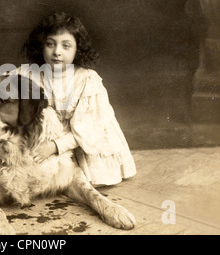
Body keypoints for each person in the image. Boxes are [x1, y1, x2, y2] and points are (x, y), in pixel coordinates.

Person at [20, 11, 136, 186]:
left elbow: (91, 129)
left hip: (82, 140)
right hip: (46, 137)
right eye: (50, 44)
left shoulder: (87, 80)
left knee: (75, 181)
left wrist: (54, 146)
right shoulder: (30, 74)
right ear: (41, 46)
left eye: (66, 46)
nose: (57, 52)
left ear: (77, 49)